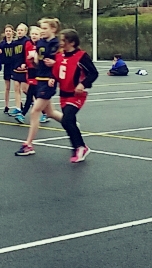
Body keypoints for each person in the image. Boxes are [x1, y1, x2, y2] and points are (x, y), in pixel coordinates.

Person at [46, 28, 98, 163]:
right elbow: (57, 72)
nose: (61, 42)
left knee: (67, 120)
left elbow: (93, 73)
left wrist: (83, 84)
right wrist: (53, 78)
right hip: (64, 94)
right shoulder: (59, 56)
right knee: (69, 122)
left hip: (76, 95)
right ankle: (77, 146)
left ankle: (80, 147)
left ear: (72, 42)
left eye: (64, 40)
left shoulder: (81, 56)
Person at [15, 19, 62, 156]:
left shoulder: (57, 44)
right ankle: (71, 125)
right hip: (39, 79)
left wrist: (55, 65)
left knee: (35, 111)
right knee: (50, 113)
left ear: (53, 29)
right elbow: (38, 63)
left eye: (45, 28)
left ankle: (28, 144)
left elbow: (64, 63)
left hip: (49, 81)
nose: (42, 31)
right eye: (41, 28)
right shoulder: (40, 43)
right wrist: (32, 61)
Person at [0, 24, 20, 118]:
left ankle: (19, 104)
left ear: (12, 32)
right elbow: (0, 57)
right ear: (5, 33)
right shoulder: (2, 44)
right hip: (7, 66)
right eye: (6, 31)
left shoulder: (16, 43)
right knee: (7, 87)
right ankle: (6, 105)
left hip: (14, 66)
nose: (8, 33)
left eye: (9, 31)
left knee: (17, 87)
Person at [8, 23, 30, 122]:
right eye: (18, 30)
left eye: (22, 30)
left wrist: (25, 64)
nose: (19, 31)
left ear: (25, 32)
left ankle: (36, 104)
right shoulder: (15, 42)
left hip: (24, 69)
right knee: (16, 88)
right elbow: (12, 55)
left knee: (26, 89)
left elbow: (28, 54)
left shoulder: (27, 41)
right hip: (16, 68)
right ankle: (18, 108)